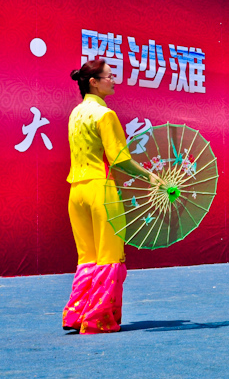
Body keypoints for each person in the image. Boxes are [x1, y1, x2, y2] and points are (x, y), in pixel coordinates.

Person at [63, 60, 159, 334]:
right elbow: (119, 159)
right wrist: (150, 177)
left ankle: (76, 314)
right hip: (101, 190)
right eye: (109, 76)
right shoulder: (105, 114)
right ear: (93, 82)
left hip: (76, 191)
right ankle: (99, 319)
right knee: (110, 257)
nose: (114, 80)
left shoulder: (76, 113)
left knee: (87, 257)